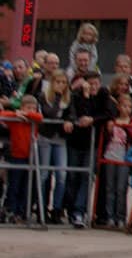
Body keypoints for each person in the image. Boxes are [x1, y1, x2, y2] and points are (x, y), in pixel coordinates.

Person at [65, 71, 113, 228]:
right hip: (75, 141)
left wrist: (93, 120)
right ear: (84, 83)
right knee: (72, 176)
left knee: (87, 177)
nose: (94, 87)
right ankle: (71, 210)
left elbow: (108, 113)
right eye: (90, 84)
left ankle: (79, 211)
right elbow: (75, 113)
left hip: (92, 144)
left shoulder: (103, 93)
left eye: (96, 84)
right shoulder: (77, 94)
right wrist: (86, 96)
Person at [37, 68, 72, 224]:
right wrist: (57, 97)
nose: (61, 85)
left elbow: (72, 113)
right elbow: (50, 113)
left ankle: (57, 210)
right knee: (44, 175)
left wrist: (70, 120)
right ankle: (41, 208)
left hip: (60, 140)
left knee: (62, 175)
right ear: (53, 83)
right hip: (46, 138)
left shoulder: (69, 98)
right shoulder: (44, 96)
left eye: (64, 83)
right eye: (58, 82)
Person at [0, 95, 43, 223]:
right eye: (27, 108)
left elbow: (40, 117)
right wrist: (16, 115)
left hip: (30, 157)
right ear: (21, 107)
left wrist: (28, 114)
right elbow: (2, 114)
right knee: (14, 185)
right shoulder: (15, 120)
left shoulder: (33, 119)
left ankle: (21, 211)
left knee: (26, 186)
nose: (30, 110)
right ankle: (11, 210)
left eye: (33, 108)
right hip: (16, 156)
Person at [103, 93, 132, 228]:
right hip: (110, 156)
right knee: (110, 187)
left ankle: (121, 216)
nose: (126, 109)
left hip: (124, 158)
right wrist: (109, 128)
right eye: (124, 106)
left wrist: (127, 127)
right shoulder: (113, 121)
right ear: (118, 107)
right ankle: (110, 216)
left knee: (121, 188)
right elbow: (105, 136)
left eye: (129, 107)